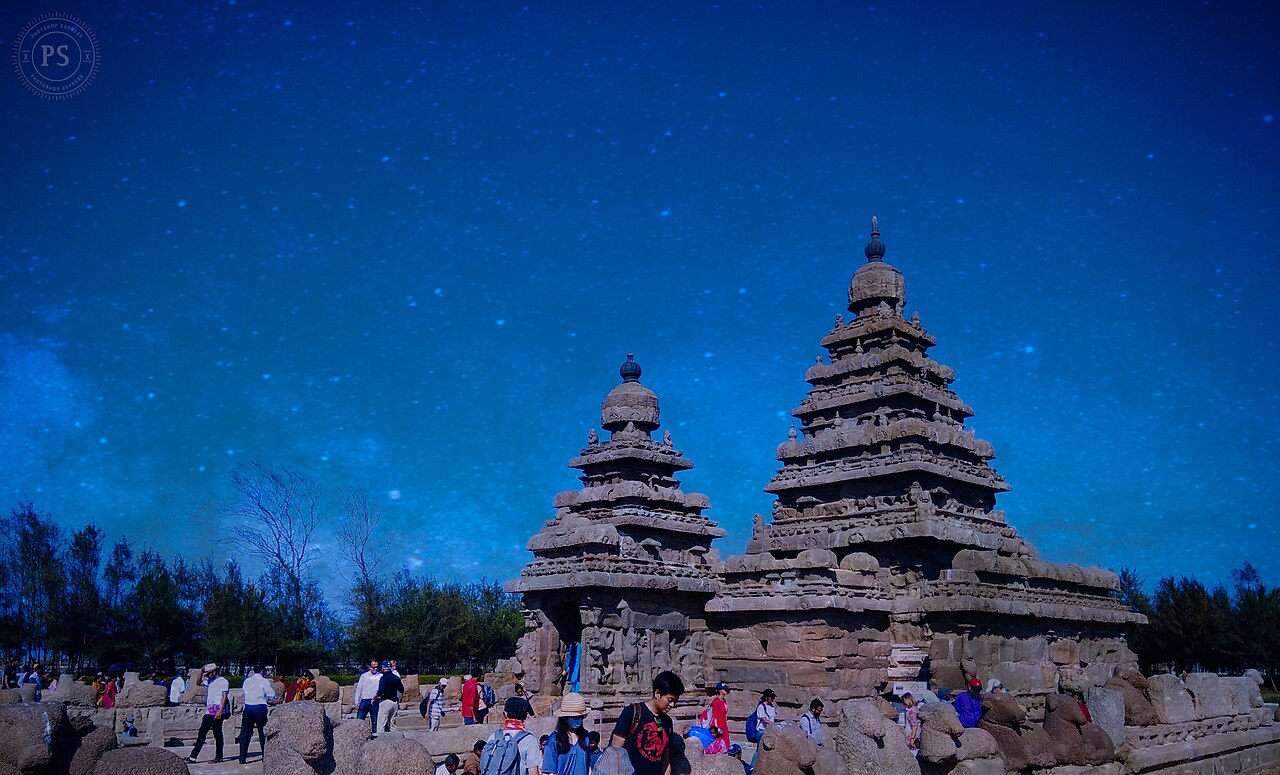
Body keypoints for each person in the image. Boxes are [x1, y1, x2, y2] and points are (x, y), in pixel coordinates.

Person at [610, 670, 685, 775]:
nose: (672, 705)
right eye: (670, 700)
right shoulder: (632, 713)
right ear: (657, 693)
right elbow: (614, 753)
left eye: (675, 701)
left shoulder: (667, 722)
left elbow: (666, 759)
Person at [479, 697, 540, 775]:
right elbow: (533, 772)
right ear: (525, 716)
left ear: (505, 714)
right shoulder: (529, 740)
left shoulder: (494, 736)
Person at [187, 663, 230, 764]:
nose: (208, 676)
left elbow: (224, 697)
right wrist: (201, 671)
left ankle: (219, 756)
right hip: (208, 712)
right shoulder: (210, 681)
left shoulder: (223, 681)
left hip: (217, 712)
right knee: (201, 734)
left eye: (209, 673)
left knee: (217, 735)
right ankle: (193, 756)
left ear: (214, 672)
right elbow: (198, 683)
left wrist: (220, 711)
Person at [541, 692, 591, 775]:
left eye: (579, 717)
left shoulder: (586, 737)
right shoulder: (554, 740)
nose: (577, 719)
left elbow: (588, 766)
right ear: (565, 717)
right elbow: (547, 772)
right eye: (573, 717)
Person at [238, 664, 277, 764]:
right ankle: (265, 756)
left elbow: (245, 692)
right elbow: (271, 695)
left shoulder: (247, 681)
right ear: (262, 671)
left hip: (248, 707)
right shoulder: (264, 681)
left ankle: (242, 757)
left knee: (245, 734)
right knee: (262, 733)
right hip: (259, 707)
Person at [354, 658, 383, 736]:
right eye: (373, 667)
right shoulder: (364, 676)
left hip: (375, 701)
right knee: (359, 720)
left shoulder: (380, 676)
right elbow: (359, 689)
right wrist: (356, 702)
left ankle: (375, 738)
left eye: (377, 667)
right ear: (370, 667)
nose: (375, 669)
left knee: (375, 722)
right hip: (364, 701)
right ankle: (358, 736)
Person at [376, 660, 405, 733]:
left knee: (381, 724)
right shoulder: (396, 677)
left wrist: (377, 696)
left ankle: (381, 741)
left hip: (385, 701)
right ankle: (395, 740)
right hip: (394, 702)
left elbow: (381, 691)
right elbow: (401, 689)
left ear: (383, 668)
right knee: (392, 724)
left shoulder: (383, 678)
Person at [708, 682, 732, 752]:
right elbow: (714, 715)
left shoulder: (724, 701)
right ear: (720, 690)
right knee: (718, 744)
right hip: (717, 725)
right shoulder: (716, 701)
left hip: (724, 724)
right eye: (725, 689)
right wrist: (716, 728)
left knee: (726, 742)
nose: (726, 691)